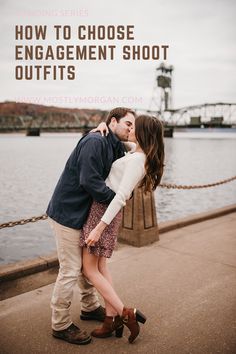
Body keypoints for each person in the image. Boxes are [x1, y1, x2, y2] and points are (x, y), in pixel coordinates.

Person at [46, 107, 136, 345]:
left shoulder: (113, 142)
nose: (130, 129)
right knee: (71, 269)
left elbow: (135, 153)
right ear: (113, 121)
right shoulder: (95, 141)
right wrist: (117, 201)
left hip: (83, 213)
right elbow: (90, 181)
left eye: (133, 126)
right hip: (67, 212)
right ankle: (60, 323)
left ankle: (89, 307)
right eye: (127, 124)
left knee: (89, 265)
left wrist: (103, 127)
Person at [80, 114, 165, 344]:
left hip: (104, 212)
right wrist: (101, 126)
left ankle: (126, 314)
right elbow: (116, 137)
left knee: (89, 270)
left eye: (133, 127)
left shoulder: (138, 160)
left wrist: (98, 228)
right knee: (100, 265)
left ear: (142, 133)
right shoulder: (137, 151)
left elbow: (121, 197)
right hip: (106, 211)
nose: (129, 129)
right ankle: (110, 319)